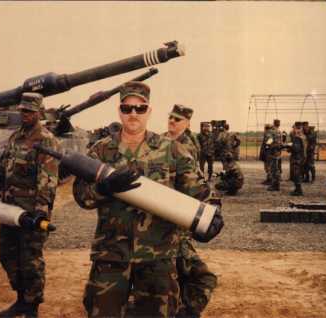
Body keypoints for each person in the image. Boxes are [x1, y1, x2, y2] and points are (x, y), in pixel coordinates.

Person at [73, 81, 223, 318]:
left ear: (149, 111)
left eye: (140, 108)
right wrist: (104, 188)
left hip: (158, 256)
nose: (133, 114)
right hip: (111, 254)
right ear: (119, 111)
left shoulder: (171, 150)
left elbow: (201, 193)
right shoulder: (100, 151)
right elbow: (82, 196)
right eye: (127, 108)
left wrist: (213, 218)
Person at [0, 93, 60, 317]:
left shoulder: (46, 140)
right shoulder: (15, 137)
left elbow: (48, 179)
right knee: (8, 256)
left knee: (30, 260)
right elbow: (2, 168)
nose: (25, 114)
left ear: (40, 112)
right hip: (9, 211)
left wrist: (40, 212)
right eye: (23, 110)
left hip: (31, 212)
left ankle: (32, 307)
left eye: (29, 111)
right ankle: (20, 300)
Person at [163, 106, 218, 318]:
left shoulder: (189, 146)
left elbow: (195, 184)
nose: (172, 122)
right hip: (161, 215)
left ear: (187, 123)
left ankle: (185, 310)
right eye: (170, 117)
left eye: (177, 119)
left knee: (188, 272)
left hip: (180, 217)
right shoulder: (158, 140)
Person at [287, 122, 307, 196]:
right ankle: (297, 189)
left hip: (297, 158)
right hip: (301, 157)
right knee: (298, 173)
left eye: (294, 128)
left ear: (296, 128)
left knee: (296, 174)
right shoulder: (303, 136)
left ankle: (298, 190)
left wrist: (289, 147)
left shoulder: (297, 137)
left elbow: (296, 148)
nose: (293, 130)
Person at [266, 119, 283, 191]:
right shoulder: (280, 132)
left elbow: (270, 140)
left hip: (272, 152)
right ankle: (277, 184)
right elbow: (281, 142)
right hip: (278, 152)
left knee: (273, 169)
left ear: (273, 123)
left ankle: (274, 185)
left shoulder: (272, 131)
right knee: (277, 169)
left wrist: (267, 145)